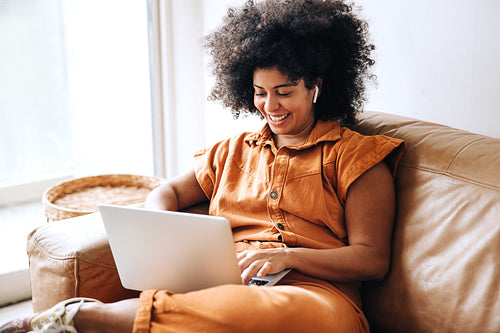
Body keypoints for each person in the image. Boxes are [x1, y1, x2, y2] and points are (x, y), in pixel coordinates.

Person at [1, 0, 405, 332]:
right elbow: (169, 191)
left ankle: (85, 317)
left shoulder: (357, 156)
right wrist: (160, 231)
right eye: (260, 93)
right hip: (226, 282)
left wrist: (289, 257)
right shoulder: (231, 151)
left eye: (285, 92)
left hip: (318, 298)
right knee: (223, 303)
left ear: (316, 85)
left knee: (264, 312)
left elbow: (371, 259)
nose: (270, 106)